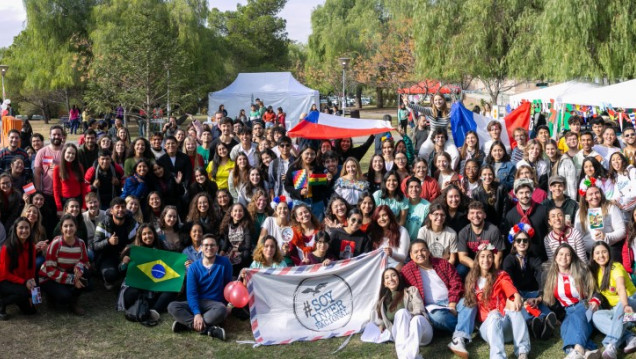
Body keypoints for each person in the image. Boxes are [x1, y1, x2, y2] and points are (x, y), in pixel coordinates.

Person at [401, 240, 477, 358]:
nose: (420, 254)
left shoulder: (442, 263)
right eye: (415, 252)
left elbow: (456, 282)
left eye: (423, 250)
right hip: (433, 307)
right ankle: (466, 325)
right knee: (438, 317)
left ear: (428, 251)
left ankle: (458, 339)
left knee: (470, 301)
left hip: (453, 300)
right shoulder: (407, 271)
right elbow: (395, 284)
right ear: (411, 255)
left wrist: (452, 303)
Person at [463, 243, 531, 359]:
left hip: (506, 326)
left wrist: (515, 295)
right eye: (483, 256)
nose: (486, 260)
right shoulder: (471, 279)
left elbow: (507, 285)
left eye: (489, 256)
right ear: (477, 259)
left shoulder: (500, 275)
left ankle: (522, 352)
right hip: (487, 328)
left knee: (513, 306)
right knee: (494, 314)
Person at [542, 243, 602, 359]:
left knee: (577, 319)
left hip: (583, 305)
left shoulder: (581, 271)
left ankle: (578, 350)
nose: (564, 257)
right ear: (555, 256)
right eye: (561, 254)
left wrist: (595, 301)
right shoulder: (549, 275)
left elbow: (596, 292)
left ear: (572, 257)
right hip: (567, 310)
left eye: (568, 255)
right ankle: (589, 351)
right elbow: (547, 298)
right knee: (565, 328)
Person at [168, 234, 230, 340]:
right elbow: (191, 293)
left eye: (212, 245)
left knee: (222, 310)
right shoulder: (194, 267)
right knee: (172, 306)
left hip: (215, 305)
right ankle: (209, 329)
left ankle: (186, 325)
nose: (209, 248)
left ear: (217, 248)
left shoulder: (225, 263)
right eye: (206, 245)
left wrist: (229, 305)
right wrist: (197, 313)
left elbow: (228, 286)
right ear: (201, 248)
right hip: (198, 302)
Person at [503, 224, 557, 340]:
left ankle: (543, 323)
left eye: (525, 240)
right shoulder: (509, 260)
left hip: (532, 293)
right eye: (519, 240)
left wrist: (539, 297)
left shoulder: (533, 258)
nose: (522, 243)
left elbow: (540, 273)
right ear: (514, 243)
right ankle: (535, 323)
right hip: (517, 294)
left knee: (542, 307)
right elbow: (508, 282)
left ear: (529, 243)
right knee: (523, 309)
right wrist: (523, 299)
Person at [370, 267, 433, 358]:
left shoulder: (411, 291)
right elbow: (381, 318)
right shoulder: (382, 301)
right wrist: (382, 324)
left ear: (398, 278)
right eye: (387, 277)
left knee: (409, 316)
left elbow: (419, 309)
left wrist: (408, 317)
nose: (391, 279)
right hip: (401, 335)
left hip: (421, 332)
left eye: (393, 275)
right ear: (384, 283)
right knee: (401, 313)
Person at [117, 224, 178, 315]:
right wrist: (124, 264)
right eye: (144, 234)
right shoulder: (133, 249)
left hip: (155, 286)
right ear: (140, 236)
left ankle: (154, 310)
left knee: (172, 290)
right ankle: (142, 307)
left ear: (154, 234)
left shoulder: (162, 246)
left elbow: (172, 264)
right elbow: (120, 270)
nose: (147, 236)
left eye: (150, 233)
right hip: (136, 286)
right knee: (132, 293)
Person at [589, 241, 636, 357]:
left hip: (630, 304)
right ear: (593, 257)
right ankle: (629, 337)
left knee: (621, 304)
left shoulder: (616, 267)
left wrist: (625, 305)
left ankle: (611, 344)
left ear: (609, 253)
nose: (601, 255)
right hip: (619, 313)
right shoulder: (596, 272)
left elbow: (620, 288)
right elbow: (597, 293)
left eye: (604, 252)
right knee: (596, 316)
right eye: (597, 253)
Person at [39, 214, 90, 316]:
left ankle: (73, 303)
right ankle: (51, 296)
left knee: (86, 276)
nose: (69, 229)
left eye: (71, 225)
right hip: (48, 277)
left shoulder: (81, 243)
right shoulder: (56, 244)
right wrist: (73, 279)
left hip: (65, 272)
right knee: (64, 297)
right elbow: (50, 270)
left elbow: (84, 261)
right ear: (61, 229)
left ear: (76, 227)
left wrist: (78, 268)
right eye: (65, 226)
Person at [92, 197, 139, 290]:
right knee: (110, 275)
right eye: (117, 207)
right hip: (108, 256)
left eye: (123, 207)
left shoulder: (133, 224)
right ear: (111, 210)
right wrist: (108, 241)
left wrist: (129, 247)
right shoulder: (103, 224)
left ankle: (123, 273)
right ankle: (109, 278)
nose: (120, 210)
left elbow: (139, 241)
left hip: (126, 256)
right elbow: (95, 246)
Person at [574, 182, 626, 259]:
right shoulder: (580, 212)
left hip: (609, 250)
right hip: (589, 254)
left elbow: (622, 231)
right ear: (585, 198)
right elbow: (578, 235)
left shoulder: (611, 208)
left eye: (597, 193)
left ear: (601, 194)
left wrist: (606, 236)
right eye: (590, 194)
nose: (594, 196)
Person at [0, 217, 37, 319]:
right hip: (4, 281)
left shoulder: (31, 246)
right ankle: (2, 303)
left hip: (20, 281)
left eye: (27, 228)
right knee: (23, 292)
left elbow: (31, 269)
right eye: (21, 228)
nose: (24, 231)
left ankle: (18, 296)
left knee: (31, 311)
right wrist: (24, 283)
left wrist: (31, 292)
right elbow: (4, 274)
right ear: (15, 229)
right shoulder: (7, 247)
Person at [504, 179, 549, 261]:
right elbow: (509, 241)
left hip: (540, 257)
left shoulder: (542, 210)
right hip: (520, 259)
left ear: (532, 193)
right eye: (521, 193)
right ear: (516, 195)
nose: (524, 195)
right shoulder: (510, 215)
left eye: (527, 192)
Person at [457, 200, 505, 274]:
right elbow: (462, 257)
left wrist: (490, 273)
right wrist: (476, 267)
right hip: (473, 263)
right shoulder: (463, 232)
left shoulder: (493, 230)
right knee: (461, 269)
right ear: (468, 216)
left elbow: (497, 256)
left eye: (479, 212)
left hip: (489, 263)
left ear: (484, 215)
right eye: (472, 213)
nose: (475, 216)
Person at [284, 146, 329, 220]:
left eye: (312, 154)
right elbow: (287, 186)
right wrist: (299, 192)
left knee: (317, 226)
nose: (309, 156)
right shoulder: (294, 168)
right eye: (307, 153)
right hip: (299, 202)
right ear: (301, 154)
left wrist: (328, 180)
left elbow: (324, 187)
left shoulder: (319, 168)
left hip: (317, 203)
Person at [33, 125, 64, 223]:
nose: (56, 136)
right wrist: (38, 191)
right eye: (54, 134)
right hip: (47, 194)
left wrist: (58, 168)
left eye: (58, 134)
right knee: (47, 222)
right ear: (50, 136)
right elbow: (37, 173)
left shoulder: (67, 151)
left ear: (62, 136)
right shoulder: (42, 152)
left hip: (63, 193)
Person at [367, 205, 409, 269]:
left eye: (384, 215)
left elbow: (403, 257)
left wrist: (392, 253)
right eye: (378, 217)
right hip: (379, 266)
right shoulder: (374, 233)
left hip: (397, 266)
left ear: (390, 216)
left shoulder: (402, 231)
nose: (382, 219)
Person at [219, 203, 253, 275]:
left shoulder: (246, 225)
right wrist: (222, 251)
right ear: (231, 213)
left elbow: (248, 245)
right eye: (235, 211)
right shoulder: (227, 226)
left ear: (244, 213)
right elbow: (226, 243)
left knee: (246, 255)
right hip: (232, 251)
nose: (238, 213)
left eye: (240, 211)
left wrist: (238, 249)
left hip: (243, 251)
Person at [404, 177, 430, 241]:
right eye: (411, 187)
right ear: (407, 190)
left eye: (417, 187)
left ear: (421, 189)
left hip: (420, 241)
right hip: (404, 240)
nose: (414, 189)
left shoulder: (427, 206)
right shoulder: (403, 204)